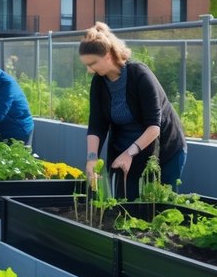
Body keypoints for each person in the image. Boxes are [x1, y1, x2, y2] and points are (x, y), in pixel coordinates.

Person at [79, 22, 187, 200]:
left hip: (164, 150)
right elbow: (97, 125)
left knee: (160, 204)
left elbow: (154, 126)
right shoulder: (99, 82)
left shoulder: (140, 75)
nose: (89, 70)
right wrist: (92, 158)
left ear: (107, 56)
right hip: (124, 153)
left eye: (92, 64)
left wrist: (129, 153)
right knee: (125, 205)